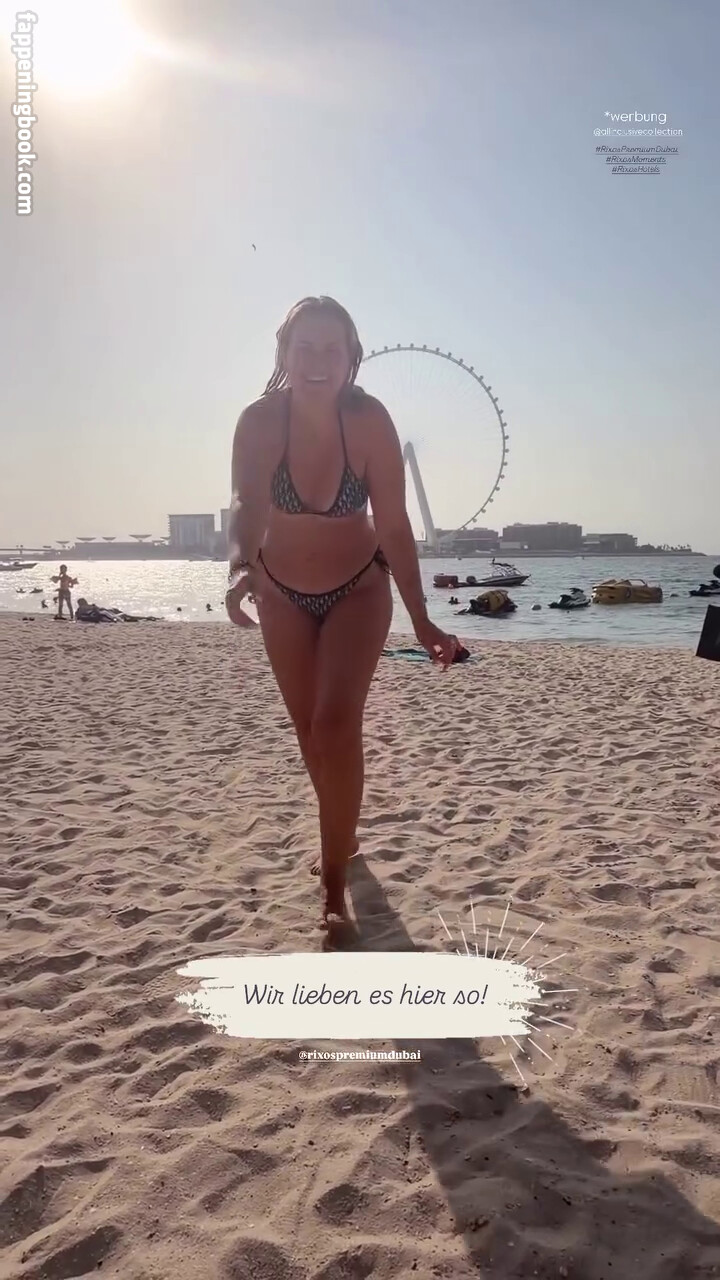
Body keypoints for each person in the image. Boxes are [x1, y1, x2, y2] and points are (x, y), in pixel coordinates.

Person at [225, 296, 458, 930]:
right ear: (284, 352)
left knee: (334, 724)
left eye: (332, 348)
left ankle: (332, 888)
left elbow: (395, 526)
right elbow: (247, 503)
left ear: (353, 356)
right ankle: (343, 834)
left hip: (358, 587)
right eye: (305, 347)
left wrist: (422, 619)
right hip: (280, 591)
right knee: (310, 731)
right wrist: (240, 567)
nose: (318, 361)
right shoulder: (259, 421)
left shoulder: (370, 421)